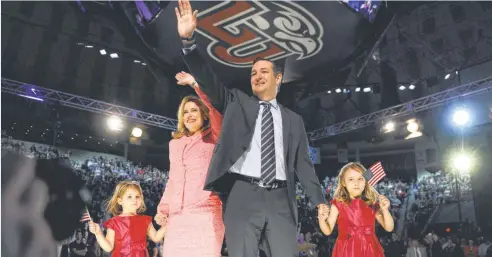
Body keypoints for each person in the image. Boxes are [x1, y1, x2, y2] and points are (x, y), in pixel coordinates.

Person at [173, 1, 327, 256]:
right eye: (253, 72)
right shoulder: (237, 102)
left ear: (278, 78)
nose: (256, 75)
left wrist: (319, 201)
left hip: (281, 200)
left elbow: (303, 166)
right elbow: (209, 81)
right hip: (242, 194)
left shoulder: (293, 120)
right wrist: (189, 42)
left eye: (264, 71)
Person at [154, 72, 225, 257]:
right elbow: (173, 180)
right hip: (177, 217)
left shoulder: (214, 137)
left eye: (194, 110)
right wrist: (163, 209)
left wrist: (195, 84)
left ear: (204, 114)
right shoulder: (175, 144)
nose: (189, 115)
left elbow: (215, 110)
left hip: (206, 213)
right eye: (185, 112)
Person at [318, 162, 394, 257]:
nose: (356, 183)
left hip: (369, 249)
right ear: (343, 182)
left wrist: (385, 210)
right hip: (346, 250)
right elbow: (327, 230)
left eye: (360, 179)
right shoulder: (338, 204)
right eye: (351, 179)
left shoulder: (371, 203)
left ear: (366, 182)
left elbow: (389, 227)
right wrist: (321, 219)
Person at [88, 181, 167, 257]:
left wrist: (166, 225)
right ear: (120, 200)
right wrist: (98, 233)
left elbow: (156, 237)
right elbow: (108, 247)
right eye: (129, 196)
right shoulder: (114, 222)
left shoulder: (145, 220)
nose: (134, 199)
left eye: (137, 196)